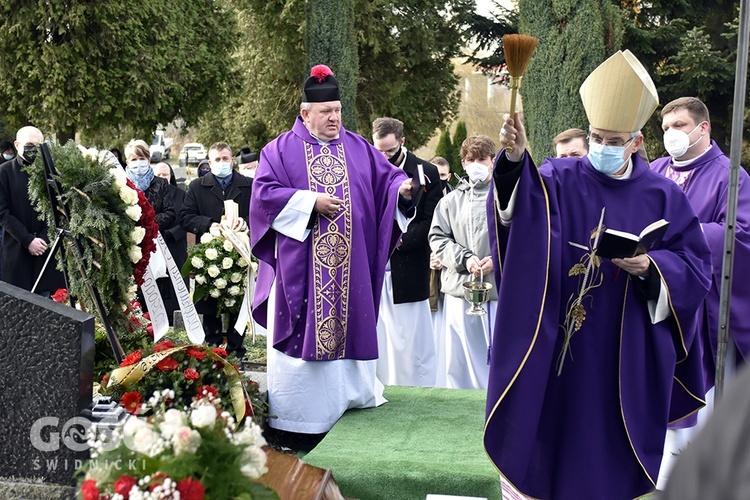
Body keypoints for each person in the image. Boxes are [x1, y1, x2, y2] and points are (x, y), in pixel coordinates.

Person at [484, 50, 712, 499]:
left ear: (637, 142)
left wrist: (652, 268)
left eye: (614, 139)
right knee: (549, 441)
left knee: (603, 454)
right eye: (597, 136)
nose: (603, 147)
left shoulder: (664, 195)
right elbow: (523, 219)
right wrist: (513, 160)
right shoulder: (559, 177)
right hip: (557, 346)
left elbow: (695, 268)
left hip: (623, 350)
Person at [250, 65, 413, 436]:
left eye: (338, 110)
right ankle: (301, 417)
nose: (334, 118)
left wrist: (401, 191)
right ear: (306, 114)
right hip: (302, 270)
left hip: (350, 269)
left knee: (350, 322)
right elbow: (262, 197)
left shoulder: (358, 146)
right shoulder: (277, 150)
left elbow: (388, 178)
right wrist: (309, 203)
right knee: (304, 337)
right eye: (326, 112)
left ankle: (351, 398)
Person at [650, 97, 750, 486]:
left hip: (702, 316)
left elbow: (740, 237)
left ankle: (695, 477)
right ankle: (654, 472)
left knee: (700, 401)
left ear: (703, 128)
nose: (671, 134)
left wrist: (681, 238)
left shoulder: (731, 177)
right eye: (666, 128)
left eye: (679, 125)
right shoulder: (656, 170)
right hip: (654, 304)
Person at [372, 117, 443, 387]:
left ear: (403, 141)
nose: (384, 156)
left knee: (412, 337)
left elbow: (430, 220)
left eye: (389, 151)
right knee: (380, 335)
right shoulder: (368, 168)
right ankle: (380, 385)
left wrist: (397, 240)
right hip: (376, 266)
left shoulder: (426, 172)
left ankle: (418, 387)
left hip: (410, 263)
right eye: (378, 150)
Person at [429, 134, 497, 390]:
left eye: (482, 159)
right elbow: (437, 237)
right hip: (460, 289)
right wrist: (465, 259)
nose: (476, 163)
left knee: (493, 357)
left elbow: (522, 236)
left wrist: (497, 260)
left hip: (496, 291)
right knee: (458, 360)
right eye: (470, 159)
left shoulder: (507, 199)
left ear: (492, 161)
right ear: (463, 163)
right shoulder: (450, 201)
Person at [180, 142, 252, 359]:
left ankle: (237, 349)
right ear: (209, 163)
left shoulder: (248, 184)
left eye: (225, 158)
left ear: (232, 160)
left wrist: (246, 223)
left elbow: (261, 213)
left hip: (239, 254)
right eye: (217, 160)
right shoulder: (196, 187)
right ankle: (212, 348)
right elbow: (185, 216)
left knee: (237, 301)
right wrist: (208, 225)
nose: (222, 163)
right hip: (209, 255)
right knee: (210, 301)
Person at [0, 126, 64, 294]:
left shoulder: (51, 172)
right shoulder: (4, 172)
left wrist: (42, 239)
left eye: (38, 145)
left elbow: (58, 210)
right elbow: (2, 213)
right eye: (29, 144)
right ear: (17, 144)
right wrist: (28, 240)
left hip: (45, 251)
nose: (33, 150)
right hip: (16, 251)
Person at [153, 161, 189, 325]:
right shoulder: (151, 192)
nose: (162, 178)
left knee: (177, 283)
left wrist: (169, 234)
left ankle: (176, 318)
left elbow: (185, 218)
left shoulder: (181, 194)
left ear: (171, 176)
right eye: (159, 175)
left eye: (165, 175)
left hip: (174, 244)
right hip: (154, 244)